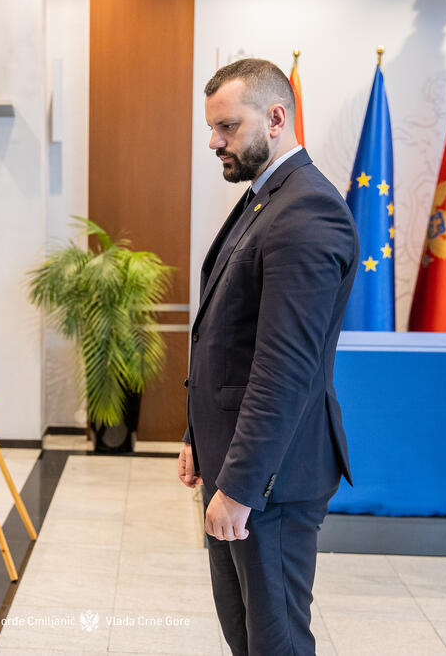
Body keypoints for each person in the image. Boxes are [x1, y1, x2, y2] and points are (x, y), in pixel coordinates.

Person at [179, 58, 358, 655]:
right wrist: (194, 437)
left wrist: (243, 486)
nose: (214, 142)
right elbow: (224, 339)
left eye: (227, 127)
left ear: (276, 118)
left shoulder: (307, 211)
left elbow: (284, 370)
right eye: (212, 128)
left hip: (271, 480)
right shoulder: (266, 198)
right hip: (234, 465)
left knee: (276, 640)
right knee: (247, 635)